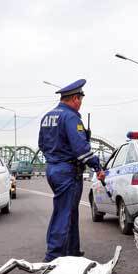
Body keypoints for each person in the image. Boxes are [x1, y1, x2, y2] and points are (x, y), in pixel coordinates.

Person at [38, 79, 105, 262]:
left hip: (54, 169)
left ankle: (73, 252)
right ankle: (52, 259)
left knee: (70, 212)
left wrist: (55, 158)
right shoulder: (71, 117)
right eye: (80, 99)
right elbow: (81, 149)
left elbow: (41, 145)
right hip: (68, 172)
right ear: (75, 98)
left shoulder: (47, 116)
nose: (81, 104)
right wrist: (97, 166)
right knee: (63, 213)